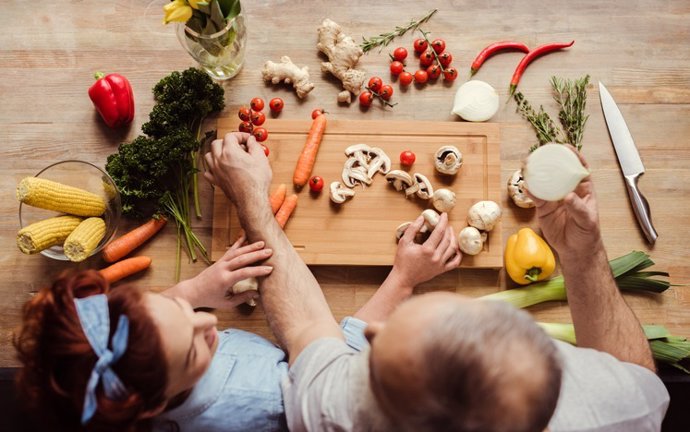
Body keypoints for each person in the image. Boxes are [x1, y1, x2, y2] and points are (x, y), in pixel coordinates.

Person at [204, 132, 670, 431]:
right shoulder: (614, 412)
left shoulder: (337, 412)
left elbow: (307, 327)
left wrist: (250, 196)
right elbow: (637, 378)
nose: (370, 327)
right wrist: (582, 254)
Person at [13, 200, 457, 431]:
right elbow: (331, 367)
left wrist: (194, 290)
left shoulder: (130, 374)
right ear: (153, 404)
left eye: (176, 309)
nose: (209, 323)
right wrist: (403, 278)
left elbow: (158, 326)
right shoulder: (253, 405)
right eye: (192, 348)